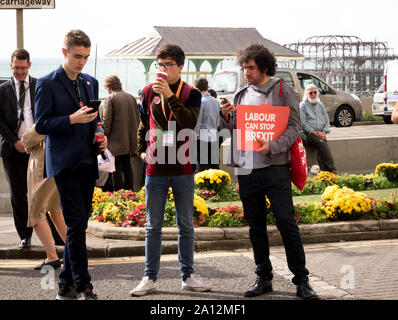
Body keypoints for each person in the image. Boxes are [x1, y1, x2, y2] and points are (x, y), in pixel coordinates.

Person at [219, 43, 319, 300]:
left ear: (264, 67)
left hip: (275, 169)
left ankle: (302, 280)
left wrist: (273, 146)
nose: (246, 72)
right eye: (244, 67)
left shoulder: (283, 90)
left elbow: (296, 126)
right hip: (247, 169)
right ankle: (263, 277)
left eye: (250, 68)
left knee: (287, 224)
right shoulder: (241, 93)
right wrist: (228, 117)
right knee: (255, 226)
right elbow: (236, 131)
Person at [130, 44, 211, 296]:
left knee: (185, 225)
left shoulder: (191, 93)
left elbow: (189, 122)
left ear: (180, 67)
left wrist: (170, 96)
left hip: (183, 166)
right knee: (153, 226)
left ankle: (187, 276)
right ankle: (149, 277)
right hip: (155, 167)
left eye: (168, 65)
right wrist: (141, 151)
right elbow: (143, 125)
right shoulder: (146, 92)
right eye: (160, 65)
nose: (163, 70)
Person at [35, 29, 107, 300]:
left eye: (86, 57)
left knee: (80, 223)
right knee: (76, 223)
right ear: (64, 52)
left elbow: (95, 118)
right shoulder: (47, 82)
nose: (82, 62)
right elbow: (41, 124)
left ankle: (65, 283)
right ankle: (83, 283)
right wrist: (71, 120)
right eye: (77, 56)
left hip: (89, 160)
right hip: (64, 163)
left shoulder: (91, 82)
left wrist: (101, 134)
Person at [0, 49, 35, 249]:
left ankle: (55, 236)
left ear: (29, 65)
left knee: (42, 193)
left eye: (23, 68)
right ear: (11, 66)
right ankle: (25, 235)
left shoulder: (40, 85)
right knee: (18, 194)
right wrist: (15, 141)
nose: (20, 72)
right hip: (12, 149)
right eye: (16, 68)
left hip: (37, 148)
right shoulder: (2, 89)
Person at [21, 124, 67, 270]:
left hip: (44, 166)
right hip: (59, 162)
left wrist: (28, 142)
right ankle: (74, 251)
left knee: (35, 213)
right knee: (55, 210)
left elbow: (27, 139)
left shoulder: (49, 108)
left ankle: (52, 257)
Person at [103, 75, 140, 191]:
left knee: (116, 169)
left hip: (116, 140)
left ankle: (118, 195)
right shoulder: (131, 97)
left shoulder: (110, 98)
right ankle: (130, 193)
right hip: (130, 140)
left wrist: (104, 136)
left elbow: (106, 120)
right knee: (127, 167)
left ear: (108, 86)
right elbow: (137, 119)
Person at [300, 84, 336, 173]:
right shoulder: (303, 105)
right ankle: (332, 169)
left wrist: (324, 132)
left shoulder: (320, 105)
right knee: (322, 143)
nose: (313, 94)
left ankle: (324, 172)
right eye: (310, 93)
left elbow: (327, 120)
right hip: (306, 134)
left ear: (318, 93)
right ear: (306, 94)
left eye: (315, 92)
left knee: (322, 144)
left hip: (320, 134)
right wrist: (315, 133)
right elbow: (302, 123)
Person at [194, 77, 221, 171]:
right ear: (207, 86)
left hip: (202, 138)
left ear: (196, 88)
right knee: (214, 168)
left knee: (202, 168)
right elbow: (218, 121)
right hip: (214, 136)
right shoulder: (216, 102)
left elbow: (198, 122)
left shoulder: (200, 101)